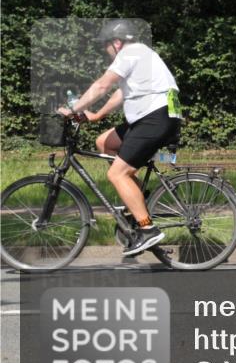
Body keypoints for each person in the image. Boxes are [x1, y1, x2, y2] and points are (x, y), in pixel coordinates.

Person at [58, 19, 182, 255]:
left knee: (117, 173)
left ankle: (147, 230)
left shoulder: (130, 53)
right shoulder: (141, 55)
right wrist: (96, 115)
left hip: (154, 118)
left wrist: (73, 110)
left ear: (116, 42)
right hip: (154, 117)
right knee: (105, 142)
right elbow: (120, 94)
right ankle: (136, 200)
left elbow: (102, 86)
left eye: (106, 46)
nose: (106, 52)